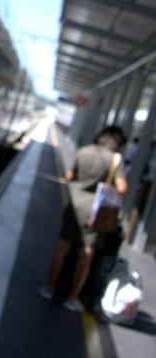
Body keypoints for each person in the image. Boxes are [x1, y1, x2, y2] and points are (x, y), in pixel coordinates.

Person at [39, 125, 128, 312]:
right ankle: (72, 298)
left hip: (74, 203)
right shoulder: (115, 160)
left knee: (62, 246)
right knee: (86, 253)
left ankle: (49, 287)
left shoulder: (84, 151)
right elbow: (122, 188)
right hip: (95, 210)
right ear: (116, 143)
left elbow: (70, 176)